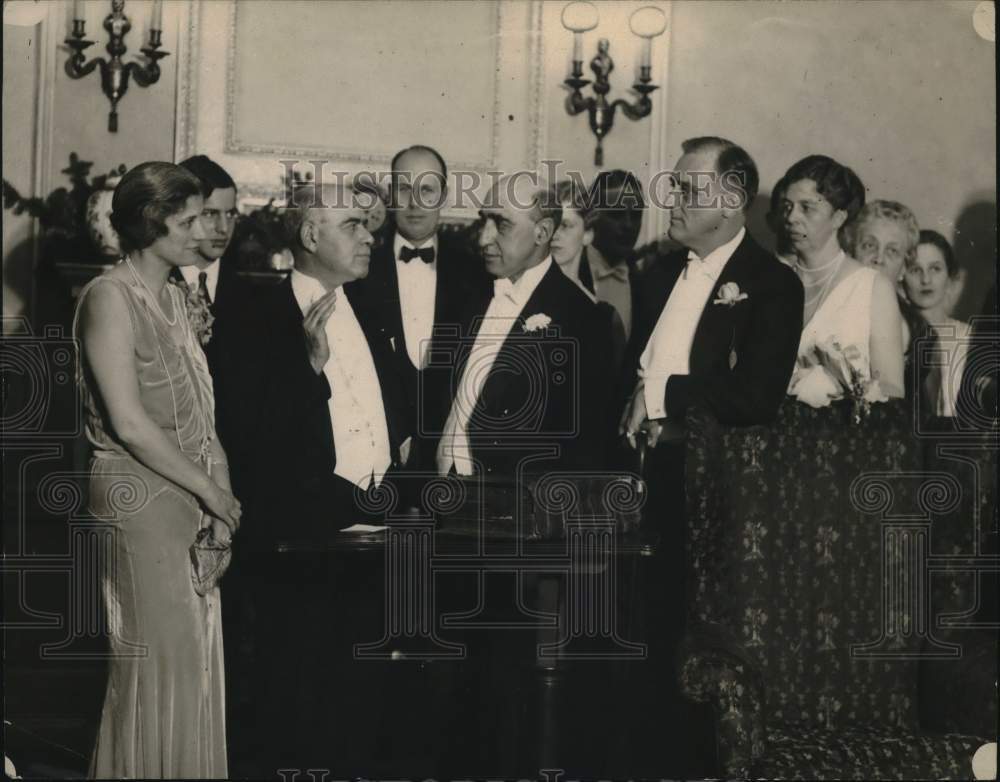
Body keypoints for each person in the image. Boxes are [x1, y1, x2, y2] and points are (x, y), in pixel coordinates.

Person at [74, 161, 241, 779]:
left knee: (197, 663)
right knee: (155, 667)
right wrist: (209, 492)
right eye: (190, 219)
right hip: (137, 498)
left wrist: (221, 499)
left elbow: (203, 412)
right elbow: (130, 423)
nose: (204, 230)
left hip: (192, 497)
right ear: (152, 224)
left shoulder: (177, 295)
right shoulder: (108, 297)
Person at [216, 182, 411, 538]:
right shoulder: (252, 318)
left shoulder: (374, 308)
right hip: (303, 533)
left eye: (366, 225)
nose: (369, 238)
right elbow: (248, 440)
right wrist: (309, 368)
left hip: (387, 523)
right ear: (310, 236)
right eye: (352, 226)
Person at [435, 174, 613, 480]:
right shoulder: (466, 294)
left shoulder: (583, 318)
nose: (483, 239)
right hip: (441, 492)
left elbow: (585, 446)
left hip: (515, 506)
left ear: (542, 232)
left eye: (501, 224)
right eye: (484, 221)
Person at [356, 144, 489, 475]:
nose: (414, 202)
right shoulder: (359, 271)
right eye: (404, 188)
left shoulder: (477, 274)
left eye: (426, 189)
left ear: (443, 196)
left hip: (454, 459)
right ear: (390, 195)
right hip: (377, 458)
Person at [781, 156, 905, 406]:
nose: (791, 217)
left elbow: (892, 389)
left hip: (847, 436)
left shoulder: (872, 287)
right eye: (787, 206)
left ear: (838, 218)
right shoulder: (774, 280)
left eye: (806, 207)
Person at [173, 155, 251, 374]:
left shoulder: (252, 296)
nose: (224, 228)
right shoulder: (153, 285)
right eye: (210, 214)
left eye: (230, 214)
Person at [551, 178, 628, 374]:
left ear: (587, 235)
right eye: (550, 224)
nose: (554, 235)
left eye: (566, 225)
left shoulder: (601, 316)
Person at [903, 230, 971, 417]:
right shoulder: (894, 339)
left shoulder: (971, 339)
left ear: (950, 276)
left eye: (935, 268)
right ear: (902, 277)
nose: (926, 280)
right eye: (915, 270)